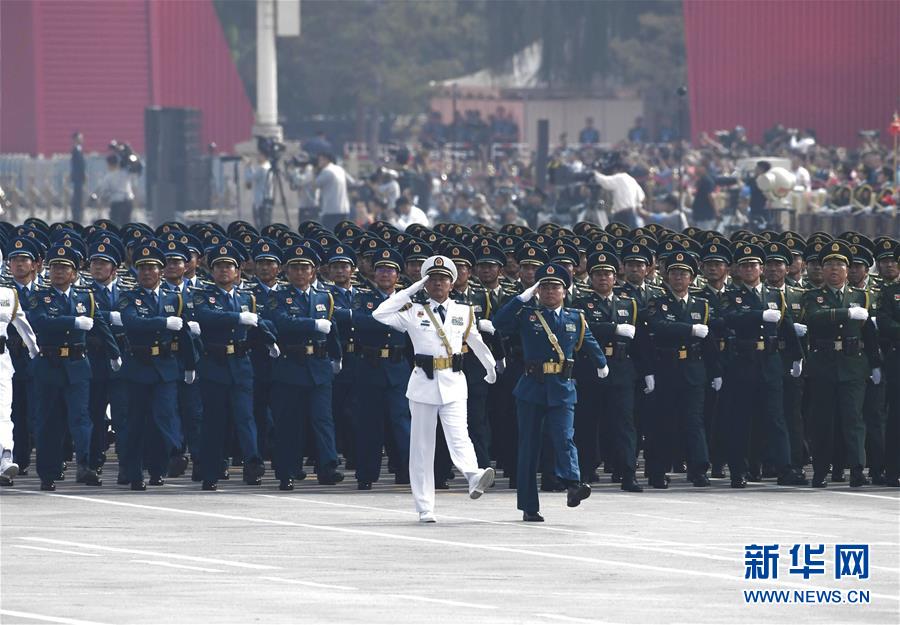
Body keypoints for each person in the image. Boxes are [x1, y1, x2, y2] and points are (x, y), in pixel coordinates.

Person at [372, 255, 497, 523]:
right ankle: (425, 507)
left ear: (452, 284)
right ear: (425, 283)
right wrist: (411, 289)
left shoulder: (464, 311)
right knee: (422, 447)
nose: (438, 283)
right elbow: (379, 313)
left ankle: (473, 474)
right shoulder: (412, 311)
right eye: (433, 279)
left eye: (443, 279)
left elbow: (475, 341)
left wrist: (490, 366)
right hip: (423, 383)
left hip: (453, 380)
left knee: (459, 435)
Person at [493, 263, 608, 521]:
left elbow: (588, 340)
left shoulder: (574, 317)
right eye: (544, 287)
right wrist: (522, 297)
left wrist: (602, 363)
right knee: (529, 448)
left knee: (564, 437)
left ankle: (573, 484)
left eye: (554, 287)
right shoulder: (526, 314)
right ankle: (529, 506)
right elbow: (497, 323)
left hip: (562, 387)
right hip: (532, 387)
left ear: (565, 291)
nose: (549, 292)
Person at [29, 243, 121, 490]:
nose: (58, 271)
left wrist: (114, 353)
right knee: (49, 421)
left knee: (82, 419)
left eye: (64, 268)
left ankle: (85, 464)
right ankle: (48, 473)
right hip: (50, 365)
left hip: (78, 366)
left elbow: (100, 325)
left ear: (74, 273)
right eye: (55, 267)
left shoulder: (85, 297)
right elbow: (40, 321)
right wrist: (73, 321)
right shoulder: (39, 296)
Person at [720, 243, 807, 488]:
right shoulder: (731, 295)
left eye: (753, 265)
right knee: (741, 419)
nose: (749, 270)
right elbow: (729, 318)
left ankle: (785, 468)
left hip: (770, 362)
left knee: (776, 419)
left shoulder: (774, 295)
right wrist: (758, 315)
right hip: (743, 361)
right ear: (737, 269)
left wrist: (797, 356)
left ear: (761, 268)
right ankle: (739, 470)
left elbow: (787, 327)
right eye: (744, 266)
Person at [193, 244, 278, 490]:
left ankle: (253, 465)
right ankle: (211, 471)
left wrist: (270, 339)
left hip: (240, 364)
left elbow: (257, 324)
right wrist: (236, 318)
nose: (223, 271)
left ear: (238, 271)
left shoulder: (246, 297)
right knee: (214, 421)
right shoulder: (203, 295)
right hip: (214, 364)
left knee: (245, 418)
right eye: (219, 266)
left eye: (228, 266)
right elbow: (206, 316)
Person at [264, 244, 344, 491]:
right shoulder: (278, 297)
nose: (300, 272)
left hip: (319, 366)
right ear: (287, 272)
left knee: (323, 420)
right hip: (291, 366)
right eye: (295, 268)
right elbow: (281, 322)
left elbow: (332, 330)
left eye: (305, 268)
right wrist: (312, 324)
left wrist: (336, 356)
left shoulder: (325, 297)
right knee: (290, 422)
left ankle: (328, 467)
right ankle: (287, 471)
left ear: (313, 272)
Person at [801, 240, 880, 488]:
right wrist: (846, 313)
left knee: (853, 420)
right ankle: (821, 470)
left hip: (853, 364)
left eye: (839, 265)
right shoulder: (813, 296)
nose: (834, 269)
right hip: (823, 364)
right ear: (822, 271)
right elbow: (814, 319)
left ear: (847, 271)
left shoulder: (861, 296)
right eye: (829, 265)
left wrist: (875, 364)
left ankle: (857, 469)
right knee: (822, 420)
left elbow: (870, 335)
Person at [117, 242, 194, 490]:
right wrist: (163, 322)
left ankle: (163, 464)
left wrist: (191, 364)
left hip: (165, 367)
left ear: (161, 271)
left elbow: (184, 335)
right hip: (138, 366)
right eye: (142, 269)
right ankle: (134, 472)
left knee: (164, 416)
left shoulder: (175, 299)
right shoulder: (129, 296)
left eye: (151, 268)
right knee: (136, 423)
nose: (146, 273)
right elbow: (132, 322)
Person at [572, 251, 649, 493]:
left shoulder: (630, 303)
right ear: (591, 277)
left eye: (607, 274)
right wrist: (614, 328)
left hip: (622, 368)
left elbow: (641, 341)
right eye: (598, 274)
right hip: (590, 368)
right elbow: (582, 328)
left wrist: (647, 371)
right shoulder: (581, 304)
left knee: (624, 424)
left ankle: (627, 473)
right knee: (587, 423)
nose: (603, 278)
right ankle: (585, 471)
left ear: (616, 277)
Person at [645, 251, 720, 489]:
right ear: (667, 277)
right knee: (664, 422)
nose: (678, 278)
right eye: (674, 273)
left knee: (694, 422)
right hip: (666, 367)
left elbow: (710, 340)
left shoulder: (702, 305)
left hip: (694, 369)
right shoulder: (658, 302)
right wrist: (689, 330)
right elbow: (659, 326)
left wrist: (716, 371)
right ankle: (658, 471)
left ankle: (699, 469)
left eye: (684, 274)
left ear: (691, 278)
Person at [343, 248, 412, 490]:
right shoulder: (363, 299)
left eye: (390, 270)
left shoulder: (408, 300)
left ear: (397, 275)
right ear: (374, 273)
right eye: (381, 269)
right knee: (369, 424)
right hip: (370, 367)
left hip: (398, 366)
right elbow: (360, 321)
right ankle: (366, 474)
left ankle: (405, 470)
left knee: (401, 423)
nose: (385, 274)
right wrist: (392, 319)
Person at [0, 246, 39, 486]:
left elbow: (24, 327)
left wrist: (36, 353)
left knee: (4, 412)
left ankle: (6, 456)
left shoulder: (8, 295)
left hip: (1, 361)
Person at [91, 154, 135, 225]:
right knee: (127, 226)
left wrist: (101, 199)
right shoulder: (125, 173)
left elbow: (104, 192)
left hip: (116, 204)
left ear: (109, 164)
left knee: (116, 227)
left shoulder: (108, 177)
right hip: (128, 202)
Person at [315, 153, 352, 232]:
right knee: (342, 234)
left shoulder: (327, 171)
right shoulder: (340, 169)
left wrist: (312, 171)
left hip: (331, 211)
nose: (318, 162)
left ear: (326, 160)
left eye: (320, 160)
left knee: (330, 235)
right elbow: (352, 182)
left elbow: (315, 184)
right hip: (344, 209)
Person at [245, 153, 274, 227]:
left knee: (260, 224)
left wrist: (247, 166)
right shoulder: (268, 167)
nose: (257, 157)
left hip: (260, 200)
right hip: (266, 198)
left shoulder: (262, 168)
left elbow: (249, 178)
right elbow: (255, 176)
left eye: (259, 155)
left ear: (264, 156)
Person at [70, 132, 86, 223]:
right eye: (80, 138)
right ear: (76, 139)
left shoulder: (79, 150)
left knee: (79, 197)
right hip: (77, 179)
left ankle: (78, 216)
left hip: (79, 178)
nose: (82, 140)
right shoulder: (75, 150)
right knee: (77, 198)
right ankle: (76, 218)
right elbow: (77, 166)